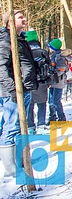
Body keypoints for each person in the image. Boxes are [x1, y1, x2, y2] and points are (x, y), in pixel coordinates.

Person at [0, 10, 38, 177]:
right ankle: (10, 169)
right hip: (13, 92)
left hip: (24, 90)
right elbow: (1, 67)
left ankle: (21, 161)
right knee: (11, 126)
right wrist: (13, 89)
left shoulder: (20, 38)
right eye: (20, 17)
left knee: (19, 126)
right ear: (9, 22)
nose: (24, 19)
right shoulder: (6, 39)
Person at [25, 29, 50, 134]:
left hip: (29, 82)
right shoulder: (43, 52)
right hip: (42, 83)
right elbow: (49, 69)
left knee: (29, 105)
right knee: (42, 104)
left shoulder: (24, 51)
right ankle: (41, 124)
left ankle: (30, 126)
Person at [48, 38, 67, 123]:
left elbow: (62, 69)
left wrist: (53, 73)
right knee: (50, 101)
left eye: (50, 47)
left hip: (58, 81)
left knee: (56, 101)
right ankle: (52, 117)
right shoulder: (53, 55)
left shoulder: (59, 57)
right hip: (53, 81)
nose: (49, 48)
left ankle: (61, 117)